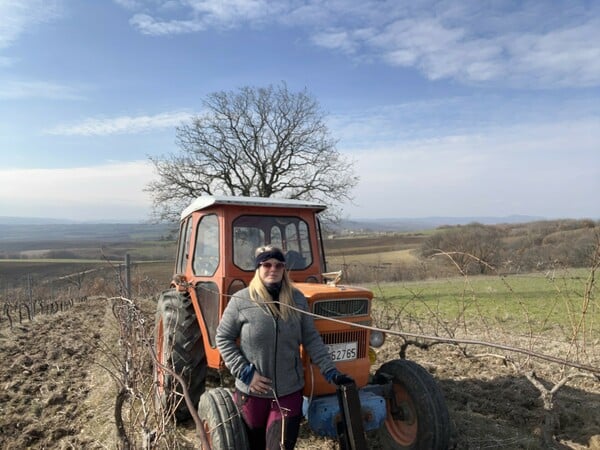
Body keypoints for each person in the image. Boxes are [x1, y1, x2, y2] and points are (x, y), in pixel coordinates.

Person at [216, 245, 352, 450]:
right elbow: (223, 338)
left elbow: (311, 338)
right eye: (267, 264)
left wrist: (331, 371)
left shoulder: (296, 299)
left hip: (289, 392)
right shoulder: (241, 301)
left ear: (284, 269)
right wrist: (245, 373)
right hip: (253, 394)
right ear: (258, 268)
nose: (273, 268)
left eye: (279, 264)